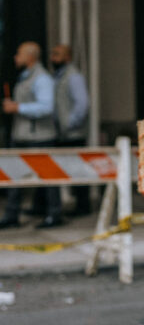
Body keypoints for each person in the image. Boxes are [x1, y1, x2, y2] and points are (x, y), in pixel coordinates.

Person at [0, 41, 62, 228]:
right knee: (15, 175)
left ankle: (54, 214)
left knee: (49, 178)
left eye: (19, 54)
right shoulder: (25, 77)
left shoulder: (41, 78)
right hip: (23, 135)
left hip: (40, 136)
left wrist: (18, 107)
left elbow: (46, 107)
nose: (15, 58)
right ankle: (12, 214)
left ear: (30, 56)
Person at [51, 43, 91, 216]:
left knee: (77, 171)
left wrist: (68, 123)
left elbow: (82, 104)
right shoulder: (58, 76)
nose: (53, 58)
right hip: (63, 132)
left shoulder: (73, 76)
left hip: (73, 133)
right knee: (65, 170)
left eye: (57, 54)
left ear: (67, 57)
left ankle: (82, 206)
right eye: (52, 54)